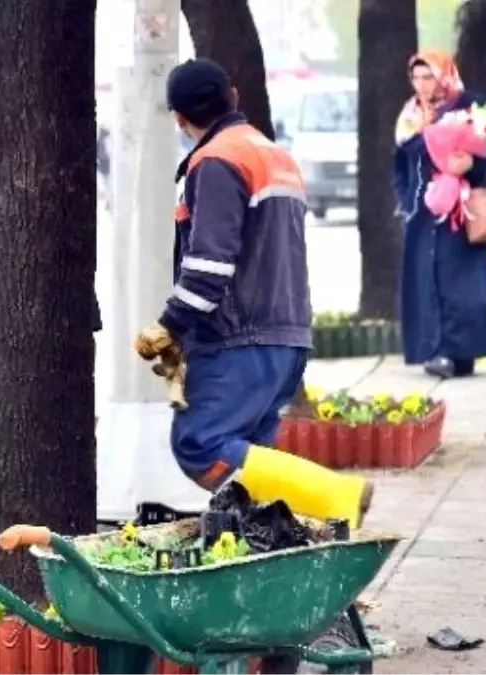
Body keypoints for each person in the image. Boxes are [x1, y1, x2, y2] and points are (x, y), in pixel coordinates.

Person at [134, 58, 372, 528]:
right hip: (288, 337)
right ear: (235, 97)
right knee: (249, 478)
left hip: (239, 340)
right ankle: (265, 556)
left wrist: (168, 327)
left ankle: (339, 494)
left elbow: (208, 268)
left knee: (199, 444)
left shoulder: (217, 161)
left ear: (179, 118)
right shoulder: (276, 157)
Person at [393, 50, 486, 380]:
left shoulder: (472, 104)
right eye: (416, 77)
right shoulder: (410, 116)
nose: (422, 84)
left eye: (428, 75)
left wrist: (472, 165)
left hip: (463, 211)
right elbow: (398, 164)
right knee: (428, 282)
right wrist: (405, 198)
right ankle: (436, 350)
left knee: (463, 285)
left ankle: (464, 351)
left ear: (444, 74)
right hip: (423, 214)